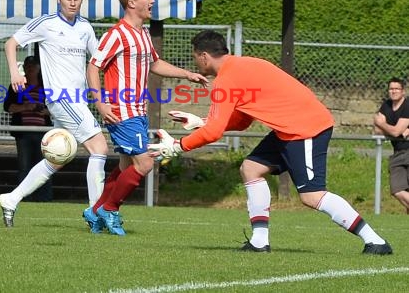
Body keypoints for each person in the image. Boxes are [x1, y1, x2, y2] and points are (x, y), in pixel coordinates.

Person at [147, 29, 393, 255]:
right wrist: (201, 122)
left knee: (311, 195)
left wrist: (177, 146)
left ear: (203, 56)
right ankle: (259, 241)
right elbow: (240, 121)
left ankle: (375, 241)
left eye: (194, 56)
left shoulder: (226, 79)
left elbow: (214, 133)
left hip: (304, 129)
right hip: (290, 128)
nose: (195, 62)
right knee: (251, 168)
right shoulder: (243, 65)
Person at [85, 0, 208, 236]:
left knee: (124, 167)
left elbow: (155, 64)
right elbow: (93, 66)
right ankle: (110, 209)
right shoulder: (116, 34)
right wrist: (100, 101)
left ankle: (96, 210)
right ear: (131, 3)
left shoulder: (142, 33)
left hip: (137, 110)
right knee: (144, 165)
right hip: (122, 111)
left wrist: (188, 74)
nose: (152, 1)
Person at [0, 0, 109, 227]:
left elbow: (99, 60)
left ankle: (11, 198)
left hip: (78, 100)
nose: (72, 3)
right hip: (61, 98)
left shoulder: (85, 28)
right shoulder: (46, 23)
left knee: (59, 158)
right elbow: (11, 43)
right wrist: (15, 71)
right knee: (100, 147)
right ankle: (97, 214)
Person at [3, 55, 52, 202]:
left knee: (45, 166)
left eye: (33, 66)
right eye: (28, 66)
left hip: (43, 133)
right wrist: (26, 106)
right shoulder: (17, 86)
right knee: (24, 167)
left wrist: (46, 111)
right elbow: (8, 107)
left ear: (38, 68)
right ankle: (25, 197)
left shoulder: (46, 86)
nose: (30, 69)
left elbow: (56, 108)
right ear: (24, 68)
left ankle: (44, 198)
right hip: (23, 133)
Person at [373, 77, 409, 214]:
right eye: (391, 89)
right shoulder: (386, 105)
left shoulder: (407, 105)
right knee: (397, 190)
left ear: (403, 91)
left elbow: (394, 131)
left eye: (397, 89)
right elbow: (376, 130)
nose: (393, 91)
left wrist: (383, 124)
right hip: (398, 153)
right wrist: (394, 131)